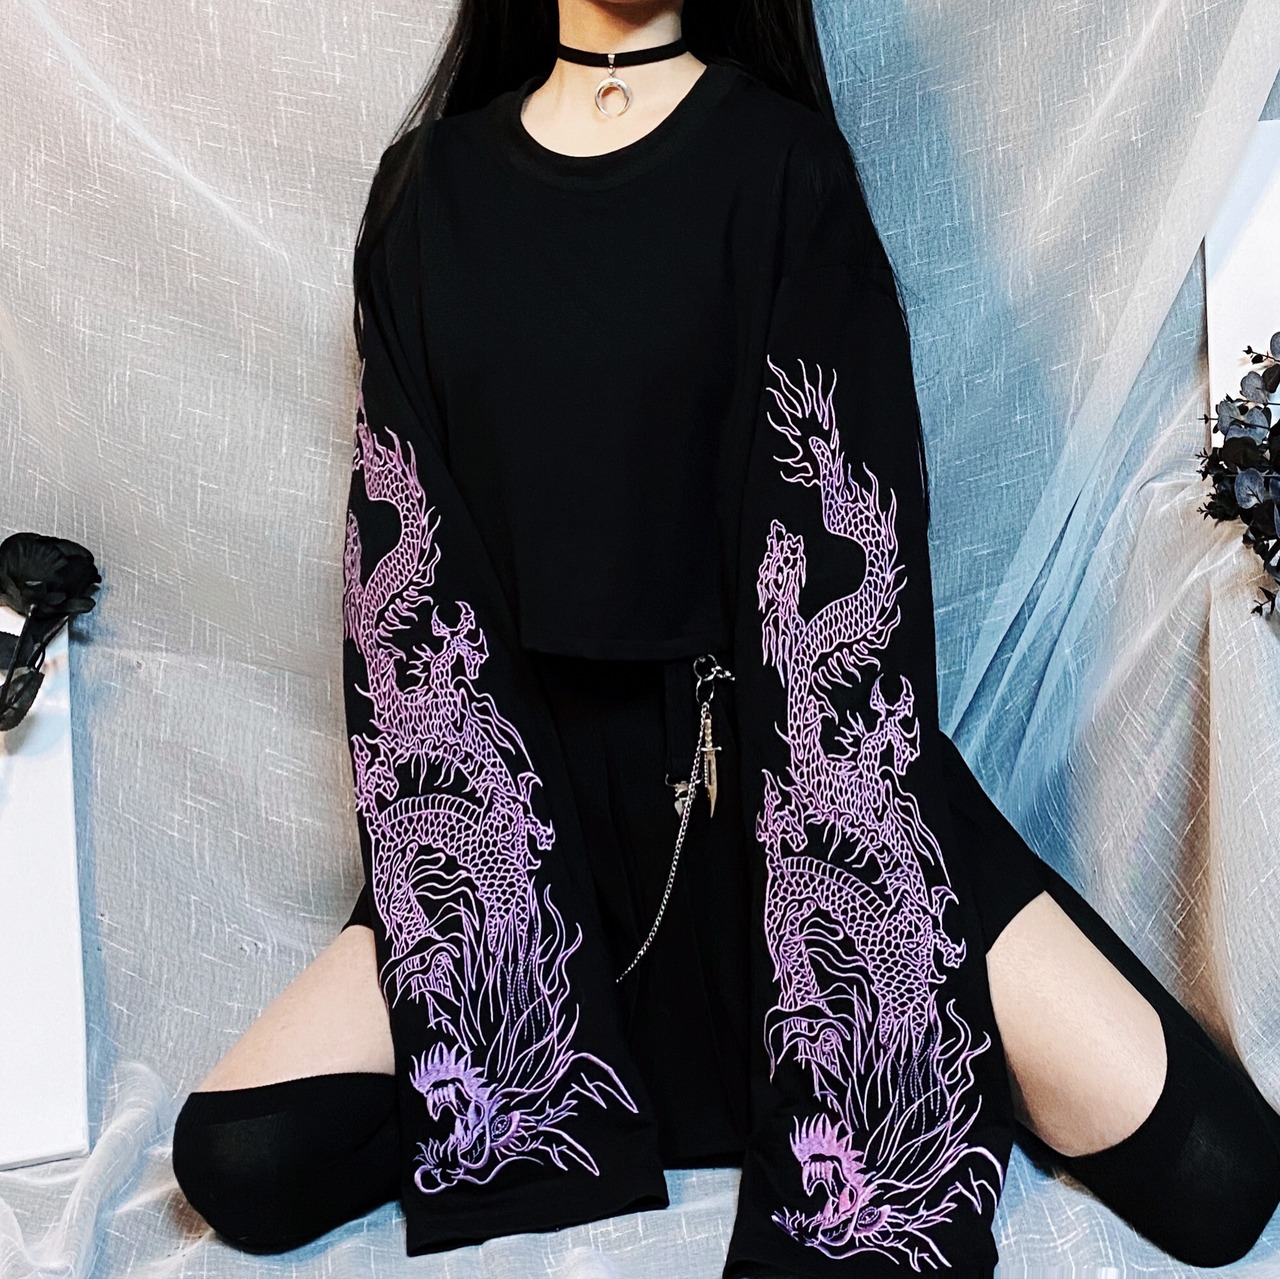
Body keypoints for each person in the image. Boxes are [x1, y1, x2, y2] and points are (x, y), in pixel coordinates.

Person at [169, 3, 1280, 1274]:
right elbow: (408, 586)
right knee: (240, 1158)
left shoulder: (779, 167)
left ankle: (885, 1051)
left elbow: (847, 570)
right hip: (530, 823)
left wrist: (883, 982)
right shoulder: (427, 193)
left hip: (795, 789)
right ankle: (632, 1070)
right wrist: (482, 937)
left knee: (1215, 1179)